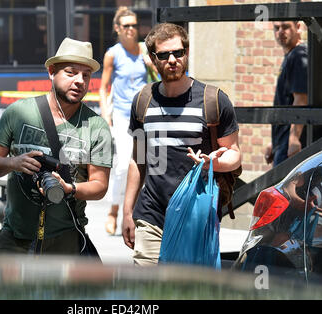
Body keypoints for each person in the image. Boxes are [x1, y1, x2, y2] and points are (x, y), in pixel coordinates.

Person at [122, 23, 241, 266]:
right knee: (148, 293)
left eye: (179, 52)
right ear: (153, 59)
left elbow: (235, 154)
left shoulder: (213, 100)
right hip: (151, 215)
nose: (173, 59)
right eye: (164, 55)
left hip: (197, 216)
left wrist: (213, 163)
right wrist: (127, 212)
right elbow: (138, 159)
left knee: (189, 291)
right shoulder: (143, 101)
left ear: (187, 52)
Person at [0, 37, 113, 256]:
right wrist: (14, 163)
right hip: (16, 239)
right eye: (71, 72)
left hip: (66, 241)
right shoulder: (18, 113)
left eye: (86, 75)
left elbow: (99, 186)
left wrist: (69, 189)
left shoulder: (96, 126)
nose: (80, 81)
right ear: (52, 71)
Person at [99, 6, 157, 236]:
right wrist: (106, 116)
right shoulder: (113, 54)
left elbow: (166, 78)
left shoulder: (146, 50)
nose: (132, 29)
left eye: (134, 25)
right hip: (123, 116)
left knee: (146, 166)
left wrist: (151, 63)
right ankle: (114, 211)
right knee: (123, 166)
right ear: (117, 29)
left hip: (146, 115)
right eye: (126, 26)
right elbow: (104, 87)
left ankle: (131, 212)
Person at [264, 21, 308, 167]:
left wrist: (294, 139)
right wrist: (274, 141)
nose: (281, 32)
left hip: (290, 144)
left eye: (286, 27)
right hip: (282, 141)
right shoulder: (290, 56)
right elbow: (285, 101)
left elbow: (301, 99)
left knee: (287, 189)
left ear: (298, 27)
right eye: (277, 28)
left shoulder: (299, 55)